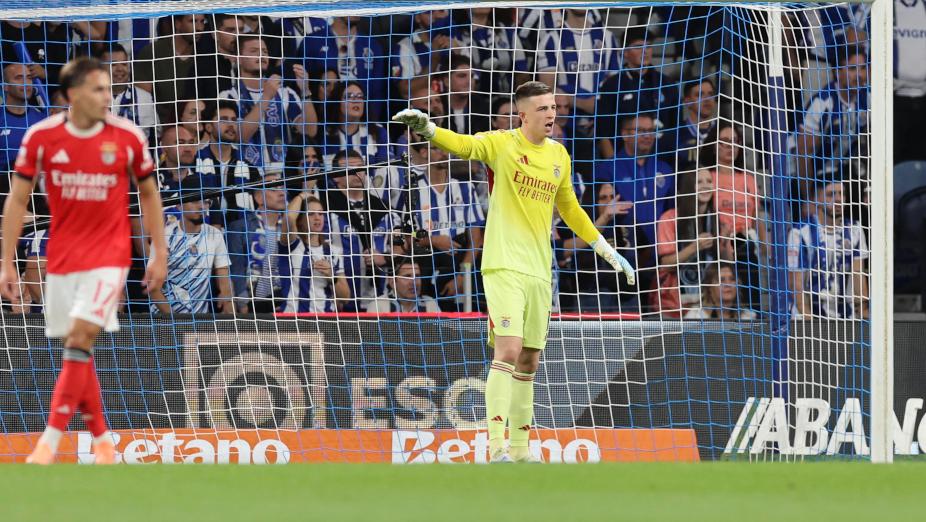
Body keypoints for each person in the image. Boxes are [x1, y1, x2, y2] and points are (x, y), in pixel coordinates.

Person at [392, 81, 634, 462]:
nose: (551, 114)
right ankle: (495, 446)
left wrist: (605, 249)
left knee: (530, 360)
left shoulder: (559, 155)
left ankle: (520, 452)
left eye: (553, 106)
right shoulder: (502, 143)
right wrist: (428, 130)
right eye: (542, 108)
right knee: (508, 350)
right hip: (503, 263)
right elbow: (464, 144)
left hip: (540, 270)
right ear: (523, 115)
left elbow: (569, 208)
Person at [0, 57, 167, 464]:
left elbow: (149, 195)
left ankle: (49, 442)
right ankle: (103, 439)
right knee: (78, 348)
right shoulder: (41, 138)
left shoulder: (128, 136)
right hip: (62, 255)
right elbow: (18, 200)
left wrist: (158, 251)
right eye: (98, 89)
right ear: (72, 95)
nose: (107, 97)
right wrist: (7, 262)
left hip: (110, 255)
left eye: (109, 89)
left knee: (78, 338)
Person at [219, 34, 318, 167]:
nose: (261, 55)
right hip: (246, 176)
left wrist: (305, 91)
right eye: (254, 51)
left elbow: (310, 131)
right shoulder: (227, 97)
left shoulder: (285, 93)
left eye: (264, 51)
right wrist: (266, 97)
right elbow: (239, 138)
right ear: (238, 59)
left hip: (282, 177)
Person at [654, 168, 735, 317]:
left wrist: (725, 242)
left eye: (709, 181)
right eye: (699, 182)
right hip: (673, 306)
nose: (705, 186)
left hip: (708, 307)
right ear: (688, 187)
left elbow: (727, 264)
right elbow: (666, 263)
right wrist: (695, 246)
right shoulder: (670, 218)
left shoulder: (718, 220)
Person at [149, 176, 234, 315]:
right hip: (163, 320)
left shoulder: (215, 235)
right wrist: (176, 321)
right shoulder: (164, 237)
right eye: (195, 201)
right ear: (178, 205)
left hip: (199, 322)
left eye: (206, 201)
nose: (201, 206)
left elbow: (224, 281)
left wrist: (228, 304)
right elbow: (153, 288)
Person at [788, 180, 868, 320]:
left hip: (844, 315)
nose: (838, 199)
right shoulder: (800, 232)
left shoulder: (855, 229)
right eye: (831, 194)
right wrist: (809, 320)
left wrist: (863, 312)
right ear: (817, 199)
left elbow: (858, 275)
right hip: (808, 317)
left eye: (841, 194)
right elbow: (796, 284)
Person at [226, 173, 289, 314]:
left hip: (285, 301)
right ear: (258, 197)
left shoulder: (290, 228)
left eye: (282, 188)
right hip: (252, 304)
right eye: (274, 189)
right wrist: (243, 306)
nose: (281, 193)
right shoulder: (240, 227)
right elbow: (236, 270)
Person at [279, 195, 351, 313]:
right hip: (294, 321)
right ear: (301, 219)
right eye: (311, 214)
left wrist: (331, 276)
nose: (317, 218)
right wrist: (303, 195)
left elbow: (346, 298)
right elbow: (288, 219)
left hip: (325, 321)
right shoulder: (292, 245)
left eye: (320, 214)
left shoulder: (333, 252)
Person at [101, 43, 158, 144]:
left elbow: (156, 135)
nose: (120, 69)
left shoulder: (144, 98)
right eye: (113, 64)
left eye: (124, 64)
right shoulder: (90, 99)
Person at [662, 78, 717, 173]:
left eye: (710, 94)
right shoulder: (672, 137)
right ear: (687, 101)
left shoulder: (724, 132)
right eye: (700, 95)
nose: (707, 99)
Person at [684, 262, 757, 321]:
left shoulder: (748, 317)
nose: (728, 284)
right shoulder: (695, 317)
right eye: (721, 280)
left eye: (732, 279)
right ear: (709, 287)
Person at [368, 256, 441, 313]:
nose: (414, 282)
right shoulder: (378, 306)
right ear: (392, 282)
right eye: (407, 276)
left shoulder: (430, 304)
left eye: (417, 276)